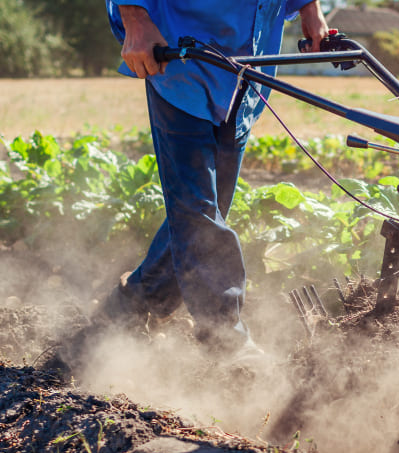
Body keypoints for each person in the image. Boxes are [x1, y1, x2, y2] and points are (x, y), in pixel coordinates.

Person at [96, 0, 329, 359]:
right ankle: (226, 339)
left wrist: (309, 9)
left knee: (209, 206)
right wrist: (135, 16)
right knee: (197, 209)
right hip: (180, 58)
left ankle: (134, 299)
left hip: (247, 67)